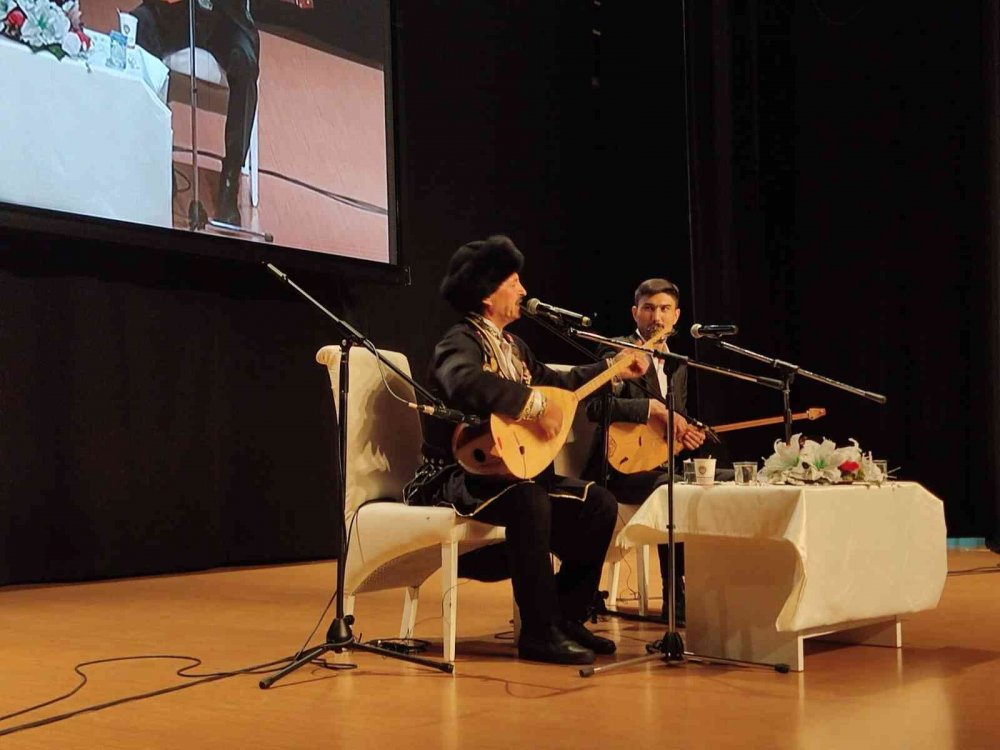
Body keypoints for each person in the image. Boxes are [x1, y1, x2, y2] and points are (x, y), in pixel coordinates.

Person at [404, 235, 648, 665]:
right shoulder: (460, 340)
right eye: (513, 282)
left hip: (510, 474)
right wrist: (531, 405)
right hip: (458, 476)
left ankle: (566, 616)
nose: (523, 290)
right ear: (485, 294)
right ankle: (537, 633)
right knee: (528, 498)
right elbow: (462, 381)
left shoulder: (516, 348)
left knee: (598, 503)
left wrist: (612, 370)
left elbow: (558, 385)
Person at [584, 278, 708, 624]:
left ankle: (709, 590)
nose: (657, 316)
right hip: (614, 470)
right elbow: (595, 407)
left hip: (656, 463)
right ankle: (674, 595)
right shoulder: (616, 352)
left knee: (713, 482)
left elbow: (674, 418)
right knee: (671, 488)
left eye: (665, 309)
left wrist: (686, 433)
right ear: (635, 313)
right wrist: (650, 409)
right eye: (650, 308)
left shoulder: (677, 363)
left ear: (677, 316)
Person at [130, 0, 259, 226]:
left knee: (245, 62)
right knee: (139, 24)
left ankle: (230, 180)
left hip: (225, 20)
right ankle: (157, 156)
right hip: (178, 11)